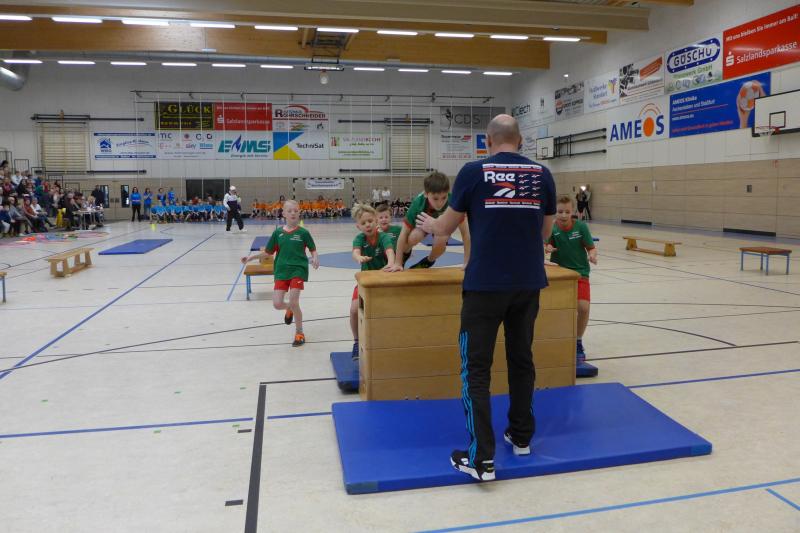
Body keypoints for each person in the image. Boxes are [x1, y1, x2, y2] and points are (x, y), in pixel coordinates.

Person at [416, 114, 556, 482]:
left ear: (488, 141)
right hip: (527, 283)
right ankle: (521, 436)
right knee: (521, 359)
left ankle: (481, 458)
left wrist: (430, 224)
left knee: (476, 369)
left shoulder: (473, 172)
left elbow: (446, 227)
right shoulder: (542, 174)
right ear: (520, 140)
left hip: (484, 286)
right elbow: (545, 232)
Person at [241, 200, 319, 347]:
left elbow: (312, 248)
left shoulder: (303, 233)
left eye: (296, 210)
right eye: (289, 211)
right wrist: (251, 258)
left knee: (295, 301)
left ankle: (299, 332)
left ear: (299, 213)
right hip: (281, 271)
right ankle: (289, 308)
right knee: (277, 304)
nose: (293, 213)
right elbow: (268, 252)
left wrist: (315, 257)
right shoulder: (278, 233)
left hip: (298, 269)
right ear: (283, 214)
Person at [546, 195, 598, 378]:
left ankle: (577, 342)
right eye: (560, 212)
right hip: (560, 275)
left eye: (567, 212)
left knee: (583, 308)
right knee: (557, 311)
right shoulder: (551, 227)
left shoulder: (581, 227)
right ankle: (556, 341)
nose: (563, 215)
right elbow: (544, 244)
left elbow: (591, 247)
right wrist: (547, 248)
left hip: (580, 273)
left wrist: (592, 255)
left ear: (573, 211)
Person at [386, 172, 470, 271]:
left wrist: (467, 262)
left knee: (441, 242)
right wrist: (398, 262)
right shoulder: (418, 204)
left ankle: (427, 262)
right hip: (423, 226)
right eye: (435, 199)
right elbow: (403, 234)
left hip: (442, 228)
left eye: (444, 197)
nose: (440, 203)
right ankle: (406, 254)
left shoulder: (454, 203)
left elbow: (466, 233)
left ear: (448, 192)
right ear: (426, 194)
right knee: (414, 236)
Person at [350, 204, 396, 360]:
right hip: (365, 283)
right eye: (363, 223)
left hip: (383, 281)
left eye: (370, 221)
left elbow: (390, 251)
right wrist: (359, 257)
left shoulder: (383, 237)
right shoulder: (359, 239)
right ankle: (357, 342)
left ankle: (387, 341)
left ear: (376, 221)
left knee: (386, 312)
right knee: (354, 310)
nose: (368, 225)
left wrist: (391, 262)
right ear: (358, 226)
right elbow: (355, 252)